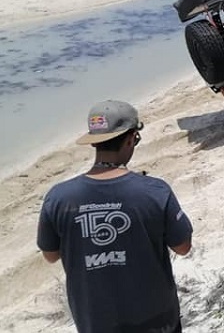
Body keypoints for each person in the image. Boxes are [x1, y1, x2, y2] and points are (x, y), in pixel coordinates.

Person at [37, 100, 193, 333]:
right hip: (157, 322)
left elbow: (50, 255)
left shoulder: (58, 198)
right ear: (131, 138)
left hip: (95, 323)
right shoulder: (154, 191)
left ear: (94, 143)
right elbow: (183, 246)